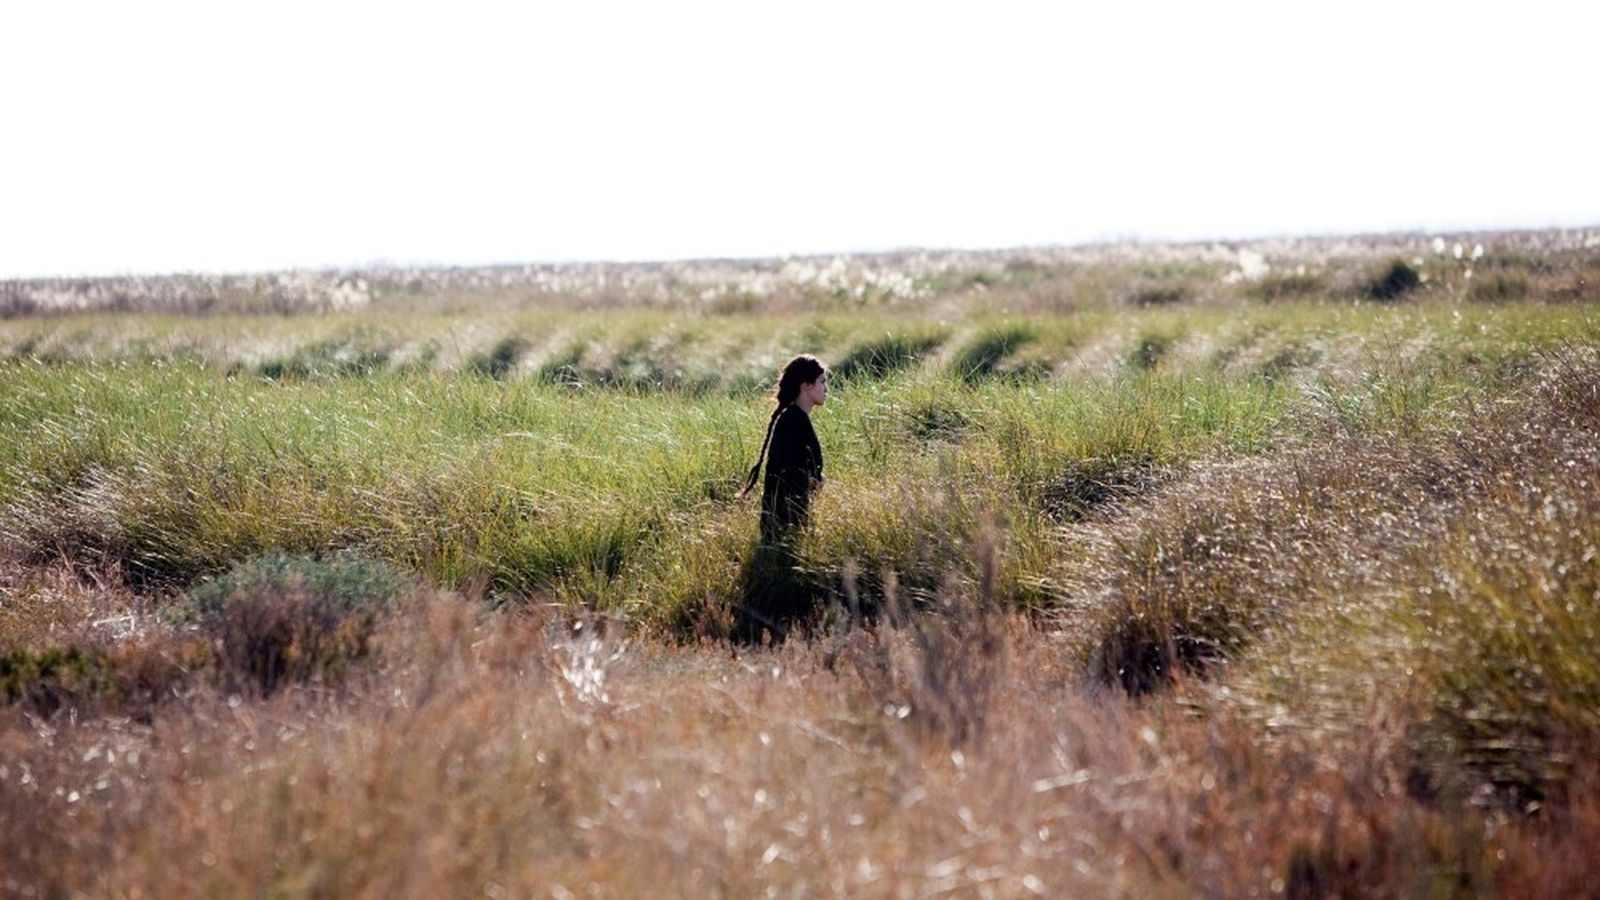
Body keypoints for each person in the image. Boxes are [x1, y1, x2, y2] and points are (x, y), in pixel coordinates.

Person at [739, 355, 827, 544]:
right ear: (806, 386)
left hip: (781, 521)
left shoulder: (794, 418)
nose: (826, 389)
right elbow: (790, 475)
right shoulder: (795, 421)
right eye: (822, 382)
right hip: (785, 523)